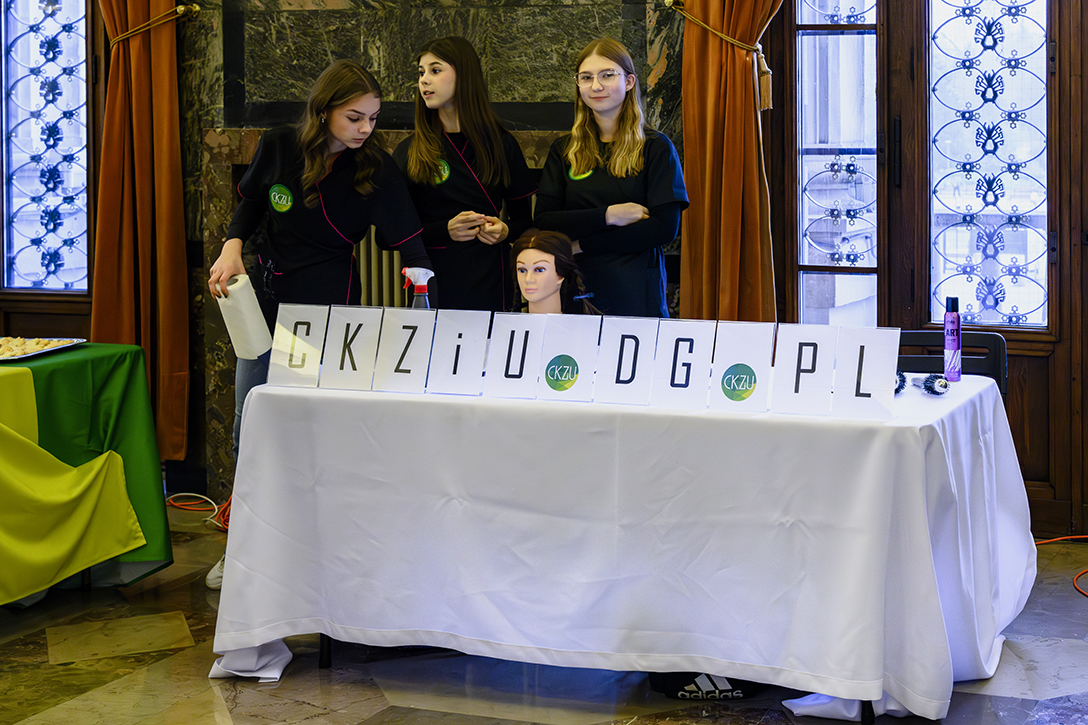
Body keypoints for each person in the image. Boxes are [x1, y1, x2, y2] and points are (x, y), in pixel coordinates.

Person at [205, 59, 431, 589]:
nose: (365, 128)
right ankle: (245, 544)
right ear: (324, 110)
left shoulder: (374, 168)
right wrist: (232, 246)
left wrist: (421, 284)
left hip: (326, 308)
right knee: (250, 420)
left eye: (373, 118)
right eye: (354, 117)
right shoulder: (280, 145)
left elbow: (410, 244)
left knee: (310, 425)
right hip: (263, 301)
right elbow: (251, 205)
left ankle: (317, 545)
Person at [534, 37, 688, 318]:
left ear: (629, 82)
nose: (596, 86)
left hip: (635, 287)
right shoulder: (564, 149)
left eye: (607, 75)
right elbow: (545, 219)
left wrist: (582, 245)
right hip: (577, 283)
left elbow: (664, 228)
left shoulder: (656, 147)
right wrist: (608, 216)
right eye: (586, 77)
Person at [393, 36, 537, 312]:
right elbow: (389, 237)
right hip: (433, 278)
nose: (424, 81)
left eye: (435, 70)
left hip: (491, 275)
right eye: (421, 73)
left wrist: (506, 231)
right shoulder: (409, 150)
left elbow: (526, 225)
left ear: (465, 75)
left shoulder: (501, 144)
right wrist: (445, 230)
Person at [511, 229, 599, 315]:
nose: (528, 279)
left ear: (561, 273)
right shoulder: (506, 323)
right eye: (522, 270)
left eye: (540, 270)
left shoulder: (584, 324)